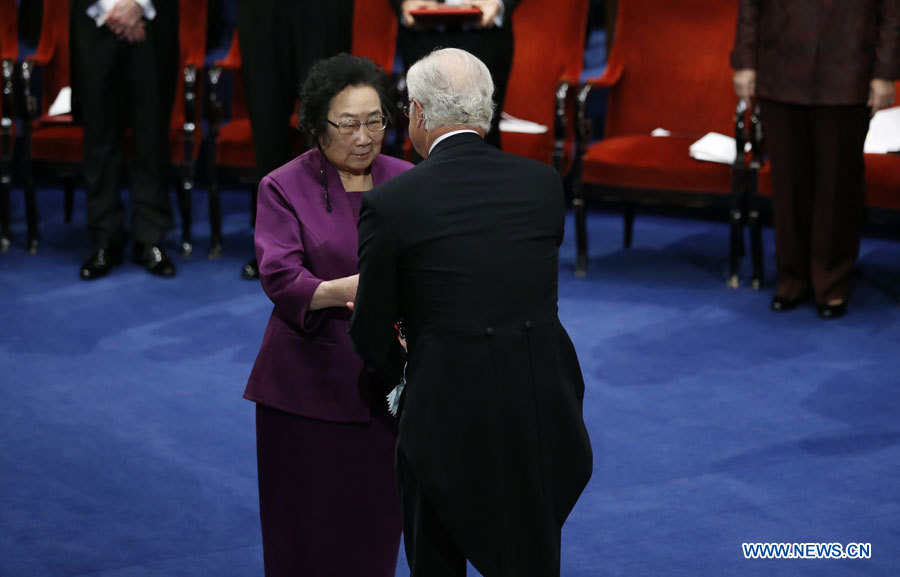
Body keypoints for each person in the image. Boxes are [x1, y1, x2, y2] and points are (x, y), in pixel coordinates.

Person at [349, 48, 593, 577]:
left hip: (443, 414)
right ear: (487, 109)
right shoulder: (543, 185)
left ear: (416, 113)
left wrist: (407, 373)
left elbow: (369, 333)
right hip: (538, 402)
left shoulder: (392, 204)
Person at [243, 54, 413, 577]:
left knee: (375, 528)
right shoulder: (282, 186)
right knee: (306, 533)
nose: (364, 137)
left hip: (385, 388)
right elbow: (281, 278)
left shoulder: (407, 179)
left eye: (376, 121)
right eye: (349, 124)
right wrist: (355, 290)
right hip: (305, 391)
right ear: (317, 126)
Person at [732, 0, 900, 319]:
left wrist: (885, 72)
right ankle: (792, 279)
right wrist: (744, 62)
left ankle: (832, 282)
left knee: (838, 185)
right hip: (780, 67)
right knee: (788, 184)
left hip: (848, 69)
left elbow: (892, 11)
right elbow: (750, 6)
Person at [236, 0, 353, 280]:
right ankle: (272, 249)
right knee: (267, 128)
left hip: (319, 10)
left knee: (325, 126)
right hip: (262, 12)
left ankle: (329, 246)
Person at [71, 0, 179, 279]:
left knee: (152, 135)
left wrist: (138, 5)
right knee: (99, 137)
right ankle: (104, 238)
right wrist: (111, 9)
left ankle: (151, 237)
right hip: (94, 22)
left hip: (151, 25)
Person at [390, 0, 521, 151]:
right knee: (424, 125)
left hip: (487, 33)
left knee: (484, 126)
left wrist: (500, 2)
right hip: (421, 31)